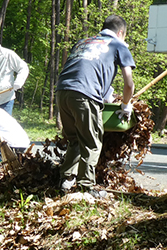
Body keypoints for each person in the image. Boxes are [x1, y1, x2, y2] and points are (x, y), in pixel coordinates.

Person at [55, 15, 135, 197]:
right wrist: (125, 105)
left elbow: (87, 68)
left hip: (63, 91)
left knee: (75, 139)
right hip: (85, 94)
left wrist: (106, 94)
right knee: (91, 142)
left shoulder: (83, 42)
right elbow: (129, 83)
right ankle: (86, 187)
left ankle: (66, 180)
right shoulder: (118, 45)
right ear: (121, 33)